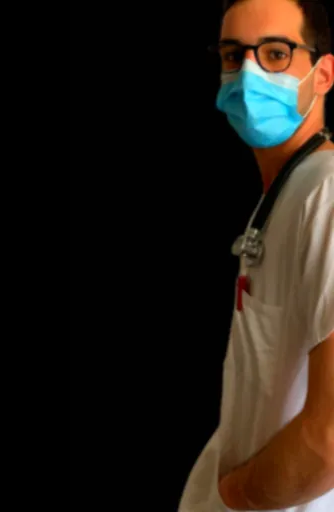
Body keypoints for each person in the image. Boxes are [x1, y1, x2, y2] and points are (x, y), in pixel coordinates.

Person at [178, 0, 334, 510]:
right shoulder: (291, 189)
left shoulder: (327, 193)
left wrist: (233, 496)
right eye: (233, 55)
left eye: (275, 54)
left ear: (323, 73)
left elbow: (329, 438)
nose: (248, 76)